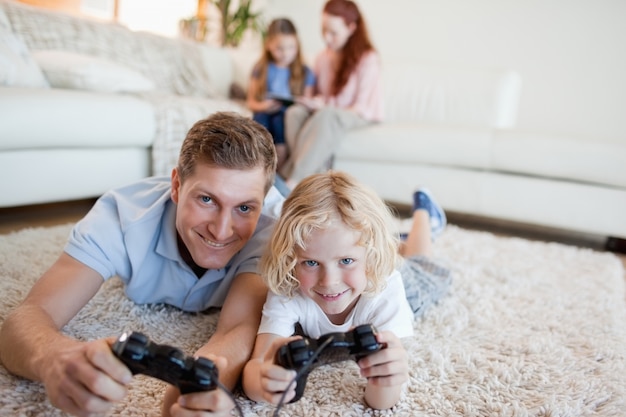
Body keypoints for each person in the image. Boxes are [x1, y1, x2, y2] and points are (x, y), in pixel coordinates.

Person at [0, 112, 284, 417]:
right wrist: (54, 357)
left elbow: (238, 328)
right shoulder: (119, 218)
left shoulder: (273, 232)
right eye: (206, 200)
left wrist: (197, 388)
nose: (222, 229)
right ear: (176, 186)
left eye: (244, 207)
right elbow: (29, 316)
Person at [242, 171, 452, 410]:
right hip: (364, 269)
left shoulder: (387, 287)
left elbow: (381, 402)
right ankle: (391, 242)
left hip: (382, 283)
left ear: (372, 255)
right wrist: (264, 380)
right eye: (311, 262)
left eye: (346, 261)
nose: (329, 281)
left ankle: (424, 216)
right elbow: (256, 368)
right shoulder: (288, 285)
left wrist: (387, 380)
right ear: (289, 258)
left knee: (424, 263)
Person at [280, 0, 383, 187]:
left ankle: (293, 181)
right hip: (327, 112)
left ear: (351, 28)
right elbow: (317, 94)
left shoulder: (368, 58)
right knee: (294, 112)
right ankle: (314, 181)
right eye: (323, 31)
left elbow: (361, 106)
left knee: (327, 115)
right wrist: (310, 101)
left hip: (357, 114)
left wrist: (326, 105)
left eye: (333, 33)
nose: (327, 38)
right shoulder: (322, 57)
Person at [246, 17, 315, 173]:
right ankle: (258, 167)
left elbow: (306, 102)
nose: (285, 53)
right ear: (269, 45)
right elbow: (251, 102)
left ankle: (278, 172)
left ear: (297, 46)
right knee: (259, 122)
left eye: (291, 48)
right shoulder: (261, 68)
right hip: (265, 110)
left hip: (285, 113)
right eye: (280, 48)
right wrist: (263, 105)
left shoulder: (305, 72)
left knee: (279, 122)